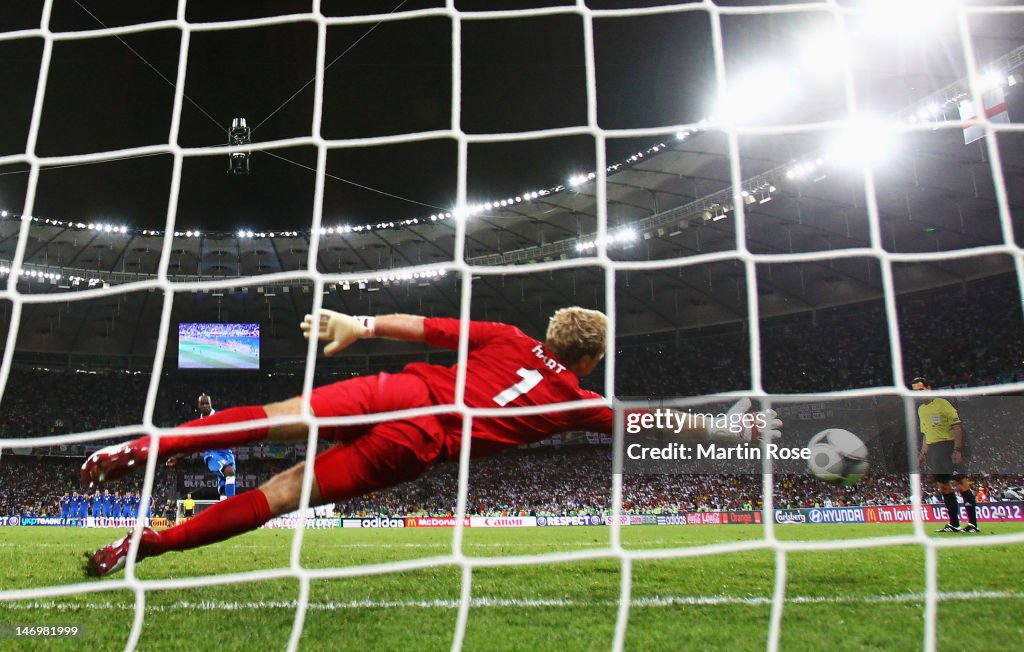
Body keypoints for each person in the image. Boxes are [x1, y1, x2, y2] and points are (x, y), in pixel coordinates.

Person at [81, 308, 781, 577]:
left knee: (279, 413)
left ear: (548, 334)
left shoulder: (507, 336)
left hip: (403, 391)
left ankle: (148, 446)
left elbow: (425, 327)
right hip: (423, 442)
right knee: (285, 493)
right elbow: (648, 422)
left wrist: (358, 323)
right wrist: (728, 424)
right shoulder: (581, 401)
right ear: (589, 360)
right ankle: (146, 546)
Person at [912, 376, 979, 533]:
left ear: (929, 388)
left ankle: (973, 524)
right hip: (934, 451)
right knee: (944, 487)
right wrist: (923, 454)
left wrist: (957, 449)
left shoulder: (943, 404)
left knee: (961, 483)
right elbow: (926, 433)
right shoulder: (921, 409)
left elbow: (957, 427)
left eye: (920, 389)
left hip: (948, 446)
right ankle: (954, 524)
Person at [167, 394, 237, 500]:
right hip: (212, 455)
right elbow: (192, 446)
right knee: (229, 471)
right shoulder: (198, 425)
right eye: (202, 404)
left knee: (224, 486)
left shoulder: (220, 416)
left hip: (227, 453)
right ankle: (233, 505)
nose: (205, 406)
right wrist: (176, 457)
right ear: (198, 405)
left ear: (211, 404)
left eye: (206, 403)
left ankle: (224, 512)